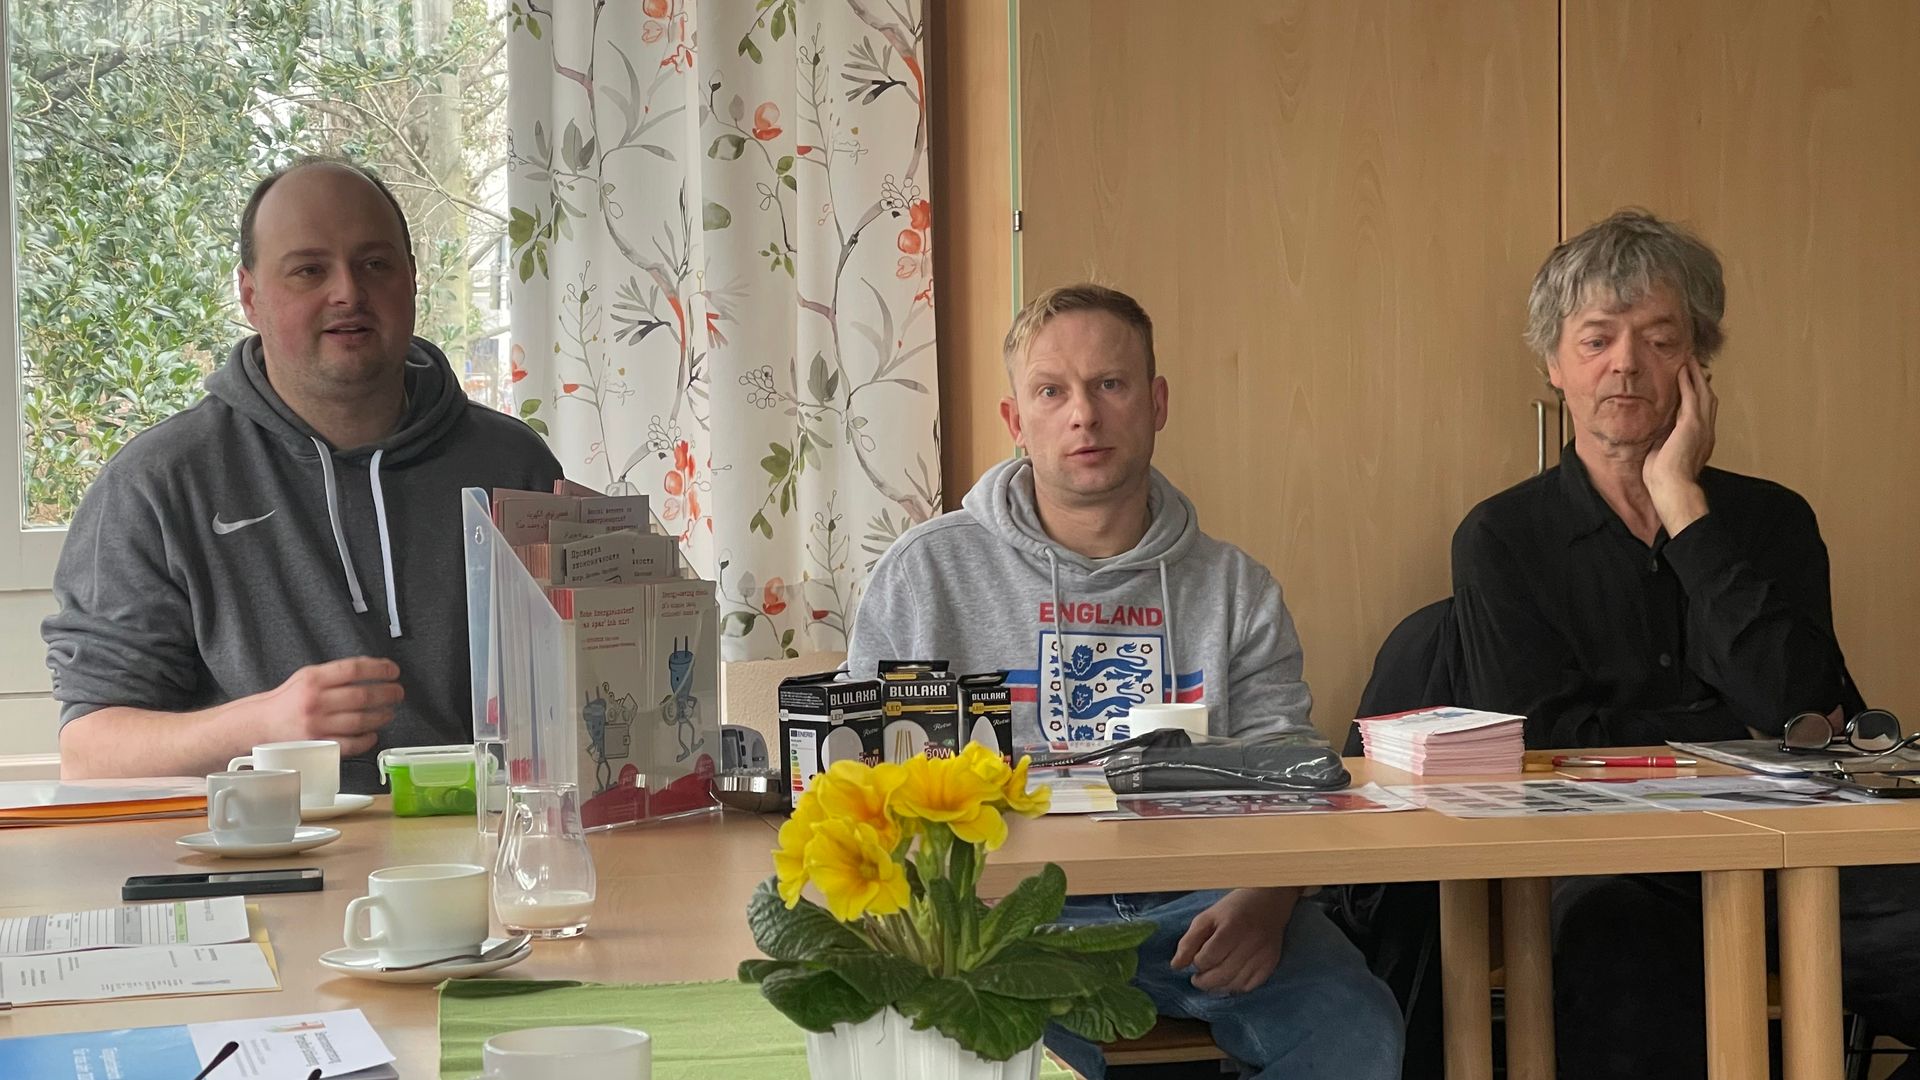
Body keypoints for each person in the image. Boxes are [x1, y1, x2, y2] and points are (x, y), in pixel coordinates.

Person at [849, 283, 1404, 1079]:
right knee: (960, 1044)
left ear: (1157, 402)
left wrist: (1269, 897)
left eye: (1110, 384)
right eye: (1052, 391)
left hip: (1207, 906)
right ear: (1015, 421)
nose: (1084, 415)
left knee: (1357, 1026)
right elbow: (859, 775)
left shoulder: (1236, 589)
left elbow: (1290, 774)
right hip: (1003, 914)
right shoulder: (924, 574)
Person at [1451, 208, 1920, 1078]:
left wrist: (1684, 510)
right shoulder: (1502, 538)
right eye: (1597, 340)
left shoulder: (1773, 520)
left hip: (1796, 853)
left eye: (1661, 339)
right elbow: (1541, 743)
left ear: (1697, 364)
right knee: (1618, 964)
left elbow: (1799, 707)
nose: (1626, 363)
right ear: (1554, 364)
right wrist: (1736, 735)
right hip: (1613, 863)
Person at [45, 158, 562, 793]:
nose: (348, 292)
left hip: (481, 840)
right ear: (250, 296)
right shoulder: (157, 484)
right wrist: (262, 723)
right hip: (262, 843)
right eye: (309, 270)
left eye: (375, 264)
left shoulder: (514, 465)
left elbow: (577, 695)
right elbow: (90, 753)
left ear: (412, 280)